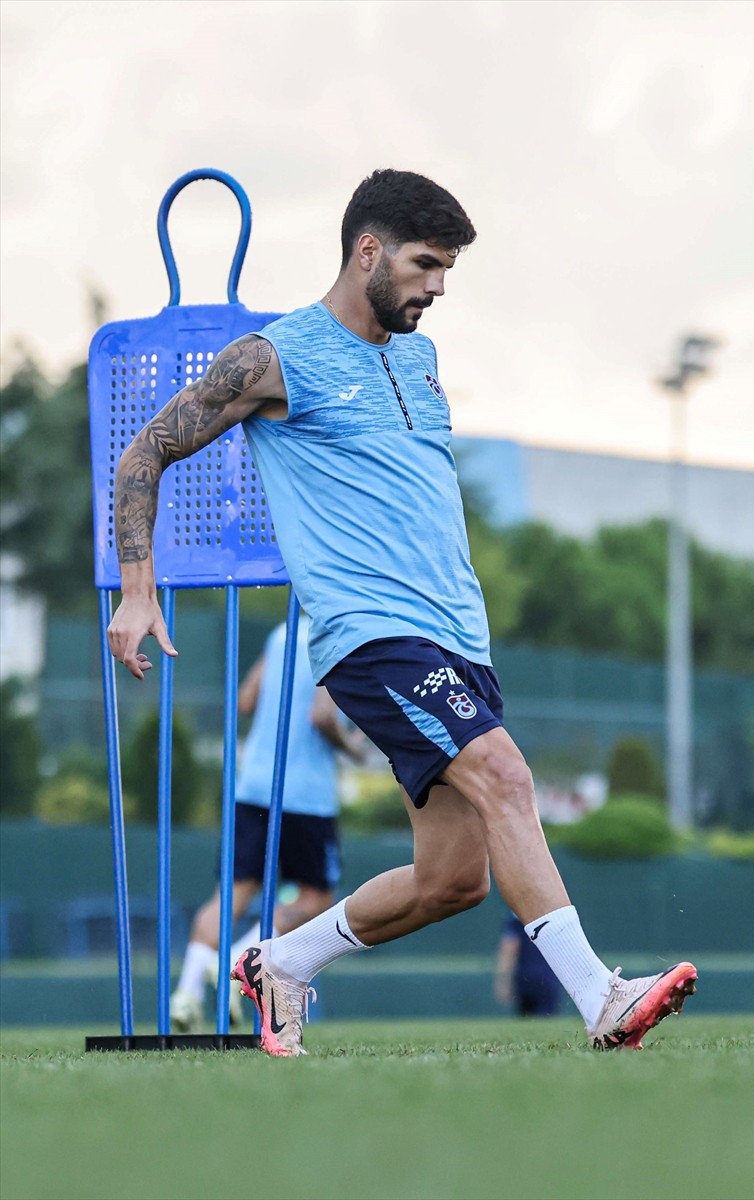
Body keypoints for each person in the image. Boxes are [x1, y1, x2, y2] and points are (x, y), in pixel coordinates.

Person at [108, 168, 698, 1057]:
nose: (439, 287)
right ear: (367, 250)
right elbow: (142, 457)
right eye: (426, 265)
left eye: (449, 270)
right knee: (507, 777)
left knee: (451, 880)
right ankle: (602, 998)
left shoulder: (419, 357)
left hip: (460, 635)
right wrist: (139, 589)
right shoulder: (272, 357)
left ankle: (283, 964)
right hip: (370, 634)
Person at [170, 614, 367, 1032]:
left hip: (254, 782)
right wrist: (352, 748)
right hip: (305, 793)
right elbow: (322, 717)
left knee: (232, 892)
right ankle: (245, 959)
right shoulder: (339, 630)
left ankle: (188, 991)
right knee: (315, 899)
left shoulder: (282, 632)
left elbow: (245, 700)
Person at [494, 911, 563, 1018]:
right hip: (548, 978)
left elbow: (508, 951)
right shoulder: (553, 914)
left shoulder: (515, 917)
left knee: (527, 1021)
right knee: (546, 1022)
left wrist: (503, 982)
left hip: (525, 978)